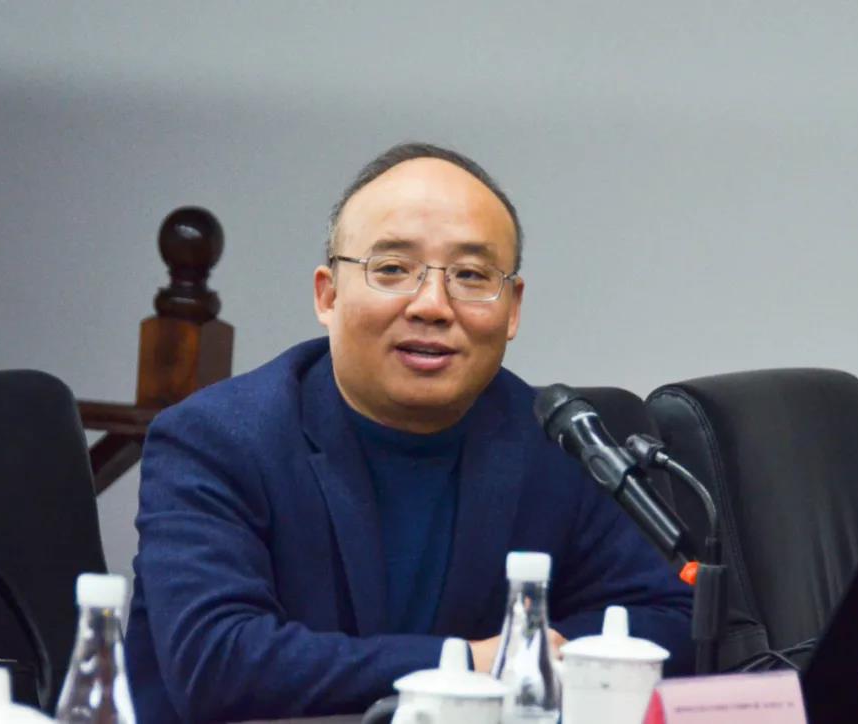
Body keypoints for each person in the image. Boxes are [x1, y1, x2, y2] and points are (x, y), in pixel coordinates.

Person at [125, 142, 694, 722]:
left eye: (470, 275)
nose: (432, 305)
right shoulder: (217, 438)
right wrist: (473, 665)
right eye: (393, 269)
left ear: (513, 308)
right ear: (328, 295)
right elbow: (219, 662)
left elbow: (669, 620)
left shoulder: (553, 439)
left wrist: (549, 661)